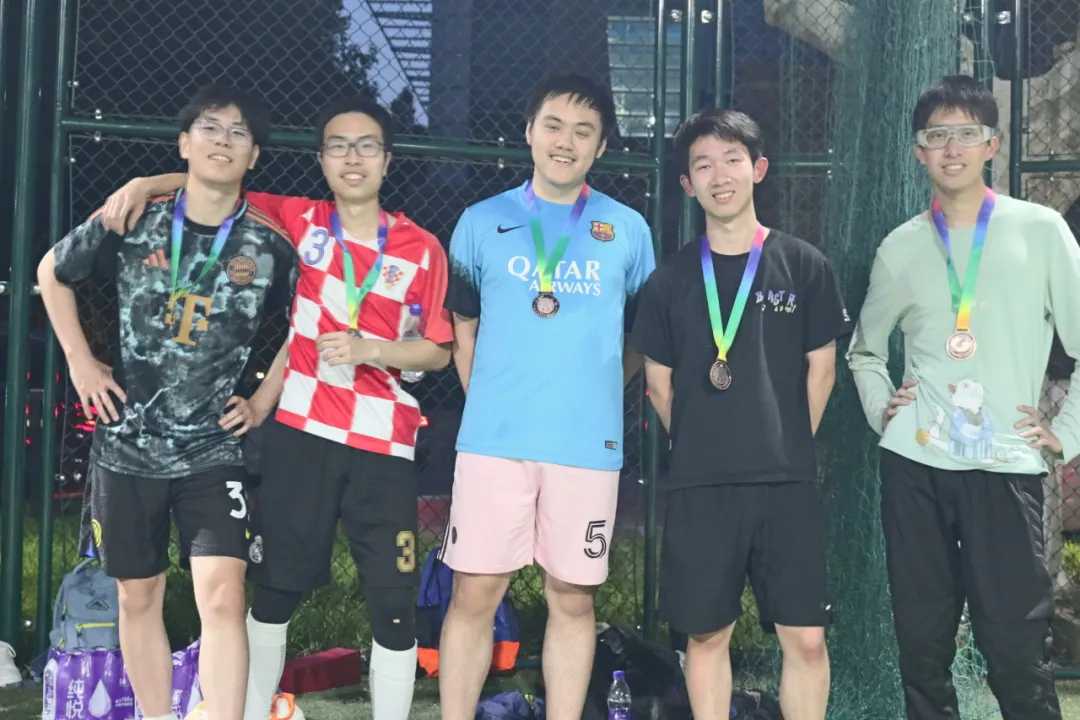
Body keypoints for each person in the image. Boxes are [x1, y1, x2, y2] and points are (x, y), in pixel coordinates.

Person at [100, 96, 454, 720]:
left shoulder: (422, 247)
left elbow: (438, 351)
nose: (352, 157)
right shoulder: (299, 220)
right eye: (338, 145)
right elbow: (213, 179)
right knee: (273, 594)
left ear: (387, 160)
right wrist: (145, 182)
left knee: (393, 607)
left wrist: (371, 348)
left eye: (367, 146)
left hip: (385, 446)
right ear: (321, 160)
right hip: (301, 437)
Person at [38, 84, 296, 720]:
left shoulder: (270, 242)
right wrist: (80, 361)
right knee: (137, 596)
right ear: (184, 143)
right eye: (209, 128)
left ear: (254, 155)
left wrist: (264, 397)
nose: (223, 141)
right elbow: (51, 272)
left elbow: (313, 320)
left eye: (239, 133)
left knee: (225, 596)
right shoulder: (134, 216)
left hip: (213, 445)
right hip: (126, 444)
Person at [847, 74, 1077, 719]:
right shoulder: (900, 247)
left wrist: (1066, 433)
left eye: (967, 134)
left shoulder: (1041, 231)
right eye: (937, 136)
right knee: (922, 645)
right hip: (915, 465)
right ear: (919, 152)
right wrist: (884, 412)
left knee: (1016, 647)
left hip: (1006, 464)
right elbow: (864, 350)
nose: (952, 148)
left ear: (991, 145)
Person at [438, 73, 656, 720]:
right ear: (530, 131)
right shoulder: (480, 223)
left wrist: (598, 389)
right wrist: (489, 402)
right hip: (494, 444)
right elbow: (463, 328)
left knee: (573, 597)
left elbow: (641, 336)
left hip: (586, 447)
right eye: (554, 126)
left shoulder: (628, 229)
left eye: (584, 131)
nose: (566, 141)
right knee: (474, 594)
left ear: (602, 146)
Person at [630, 107, 847, 720]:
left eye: (732, 160)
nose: (719, 175)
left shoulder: (804, 264)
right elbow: (659, 385)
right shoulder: (669, 279)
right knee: (706, 637)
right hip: (702, 487)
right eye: (703, 165)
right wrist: (708, 443)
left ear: (758, 169)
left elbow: (822, 371)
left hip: (786, 485)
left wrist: (781, 442)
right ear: (686, 183)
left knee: (806, 639)